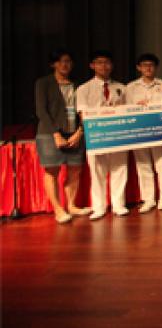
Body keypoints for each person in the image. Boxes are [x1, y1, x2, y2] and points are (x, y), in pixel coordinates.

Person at [34, 49, 90, 224]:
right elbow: (41, 111)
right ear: (53, 64)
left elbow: (84, 110)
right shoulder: (43, 83)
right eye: (60, 61)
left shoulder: (77, 85)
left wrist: (79, 132)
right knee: (52, 170)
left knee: (75, 169)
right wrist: (56, 134)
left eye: (68, 61)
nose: (65, 64)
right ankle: (58, 209)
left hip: (75, 132)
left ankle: (71, 205)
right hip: (49, 133)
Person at [76, 50, 129, 220]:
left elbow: (129, 111)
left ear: (112, 66)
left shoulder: (121, 87)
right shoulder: (84, 89)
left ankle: (118, 204)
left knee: (119, 169)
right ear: (92, 66)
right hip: (97, 136)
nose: (103, 66)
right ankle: (99, 207)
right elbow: (83, 114)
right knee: (97, 171)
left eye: (107, 62)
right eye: (99, 62)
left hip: (119, 134)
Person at [125, 53, 162, 213]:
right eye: (144, 65)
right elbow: (125, 110)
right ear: (138, 67)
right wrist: (136, 107)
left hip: (160, 131)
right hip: (139, 131)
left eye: (151, 65)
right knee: (143, 165)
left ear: (156, 68)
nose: (148, 68)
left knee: (161, 165)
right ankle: (148, 199)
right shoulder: (130, 87)